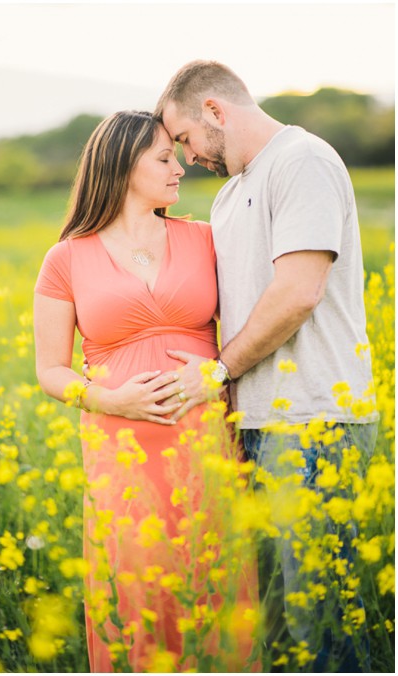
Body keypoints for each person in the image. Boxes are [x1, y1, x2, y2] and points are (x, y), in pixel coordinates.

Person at [156, 60, 378, 672]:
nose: (187, 155)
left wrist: (218, 372)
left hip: (314, 424)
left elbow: (299, 291)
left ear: (215, 112)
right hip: (256, 427)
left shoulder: (302, 160)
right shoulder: (231, 194)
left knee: (322, 626)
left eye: (184, 138)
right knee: (276, 630)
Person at [34, 110, 255, 672]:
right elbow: (51, 370)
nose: (180, 167)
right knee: (138, 587)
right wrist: (108, 399)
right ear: (121, 164)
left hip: (206, 437)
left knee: (216, 583)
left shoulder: (206, 239)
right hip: (122, 445)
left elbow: (254, 328)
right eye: (164, 157)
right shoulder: (66, 259)